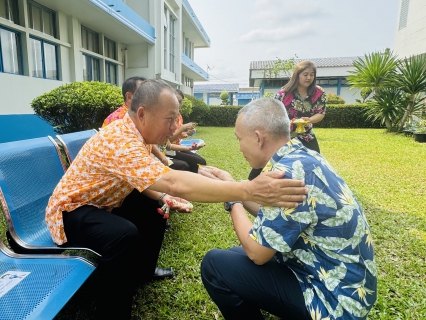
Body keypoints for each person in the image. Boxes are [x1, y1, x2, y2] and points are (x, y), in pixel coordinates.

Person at [45, 80, 308, 319]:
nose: (174, 128)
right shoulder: (119, 140)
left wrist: (166, 195)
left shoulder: (138, 133)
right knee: (120, 234)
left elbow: (154, 178)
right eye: (170, 119)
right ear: (142, 114)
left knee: (157, 206)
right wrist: (246, 190)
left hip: (106, 203)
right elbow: (173, 181)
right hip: (73, 211)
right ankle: (111, 310)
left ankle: (143, 272)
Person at [200, 98, 377, 320]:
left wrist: (232, 199)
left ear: (257, 138)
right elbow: (281, 219)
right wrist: (233, 186)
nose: (239, 148)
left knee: (214, 265)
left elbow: (257, 254)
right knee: (234, 256)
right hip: (351, 290)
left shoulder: (286, 174)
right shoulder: (303, 157)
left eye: (239, 139)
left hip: (335, 303)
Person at [249, 60, 327, 181]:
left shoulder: (319, 92)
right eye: (305, 74)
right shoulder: (283, 94)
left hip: (306, 134)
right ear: (297, 75)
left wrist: (309, 120)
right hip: (283, 134)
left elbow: (320, 113)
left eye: (312, 74)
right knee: (270, 158)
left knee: (316, 162)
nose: (309, 77)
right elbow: (273, 113)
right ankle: (251, 182)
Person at [103, 76, 190, 171]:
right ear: (129, 97)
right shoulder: (121, 127)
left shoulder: (135, 121)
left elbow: (157, 144)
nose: (174, 127)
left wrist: (161, 157)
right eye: (141, 91)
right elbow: (168, 181)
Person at [164, 89, 207, 173]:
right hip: (169, 151)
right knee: (186, 165)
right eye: (176, 101)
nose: (178, 104)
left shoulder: (179, 115)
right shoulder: (165, 117)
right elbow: (167, 142)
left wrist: (185, 133)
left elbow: (167, 143)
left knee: (200, 161)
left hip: (174, 147)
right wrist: (182, 128)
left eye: (180, 101)